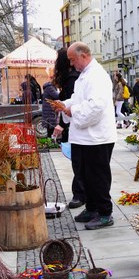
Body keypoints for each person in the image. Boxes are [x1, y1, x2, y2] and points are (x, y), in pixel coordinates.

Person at [49, 42, 116, 230]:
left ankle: (105, 212)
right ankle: (92, 208)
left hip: (97, 137)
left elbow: (95, 106)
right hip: (85, 136)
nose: (71, 64)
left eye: (73, 59)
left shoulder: (97, 76)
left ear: (84, 55)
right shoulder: (84, 76)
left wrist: (72, 110)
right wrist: (64, 105)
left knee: (98, 176)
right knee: (85, 175)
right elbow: (80, 100)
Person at [51, 48, 86, 209]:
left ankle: (80, 194)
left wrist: (62, 124)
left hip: (77, 125)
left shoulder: (73, 79)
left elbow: (73, 103)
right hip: (73, 124)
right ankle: (81, 193)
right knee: (78, 162)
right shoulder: (72, 78)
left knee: (79, 163)